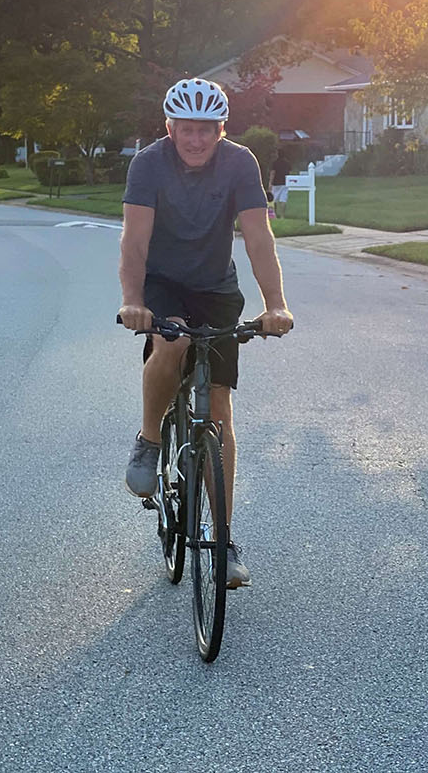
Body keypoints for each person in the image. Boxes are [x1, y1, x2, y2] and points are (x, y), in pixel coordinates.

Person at [117, 77, 293, 589]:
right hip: (163, 285)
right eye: (186, 130)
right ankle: (150, 441)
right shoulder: (148, 164)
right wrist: (133, 302)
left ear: (222, 129)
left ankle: (224, 539)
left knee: (218, 408)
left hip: (216, 287)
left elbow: (259, 237)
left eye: (207, 130)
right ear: (169, 127)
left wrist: (276, 305)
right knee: (173, 341)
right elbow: (134, 241)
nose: (196, 140)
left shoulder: (240, 162)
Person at [270, 148, 290, 218]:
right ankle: (282, 216)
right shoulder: (287, 162)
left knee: (274, 199)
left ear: (278, 154)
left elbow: (273, 173)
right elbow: (289, 172)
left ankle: (274, 214)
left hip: (276, 183)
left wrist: (270, 183)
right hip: (285, 182)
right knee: (283, 199)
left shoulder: (275, 163)